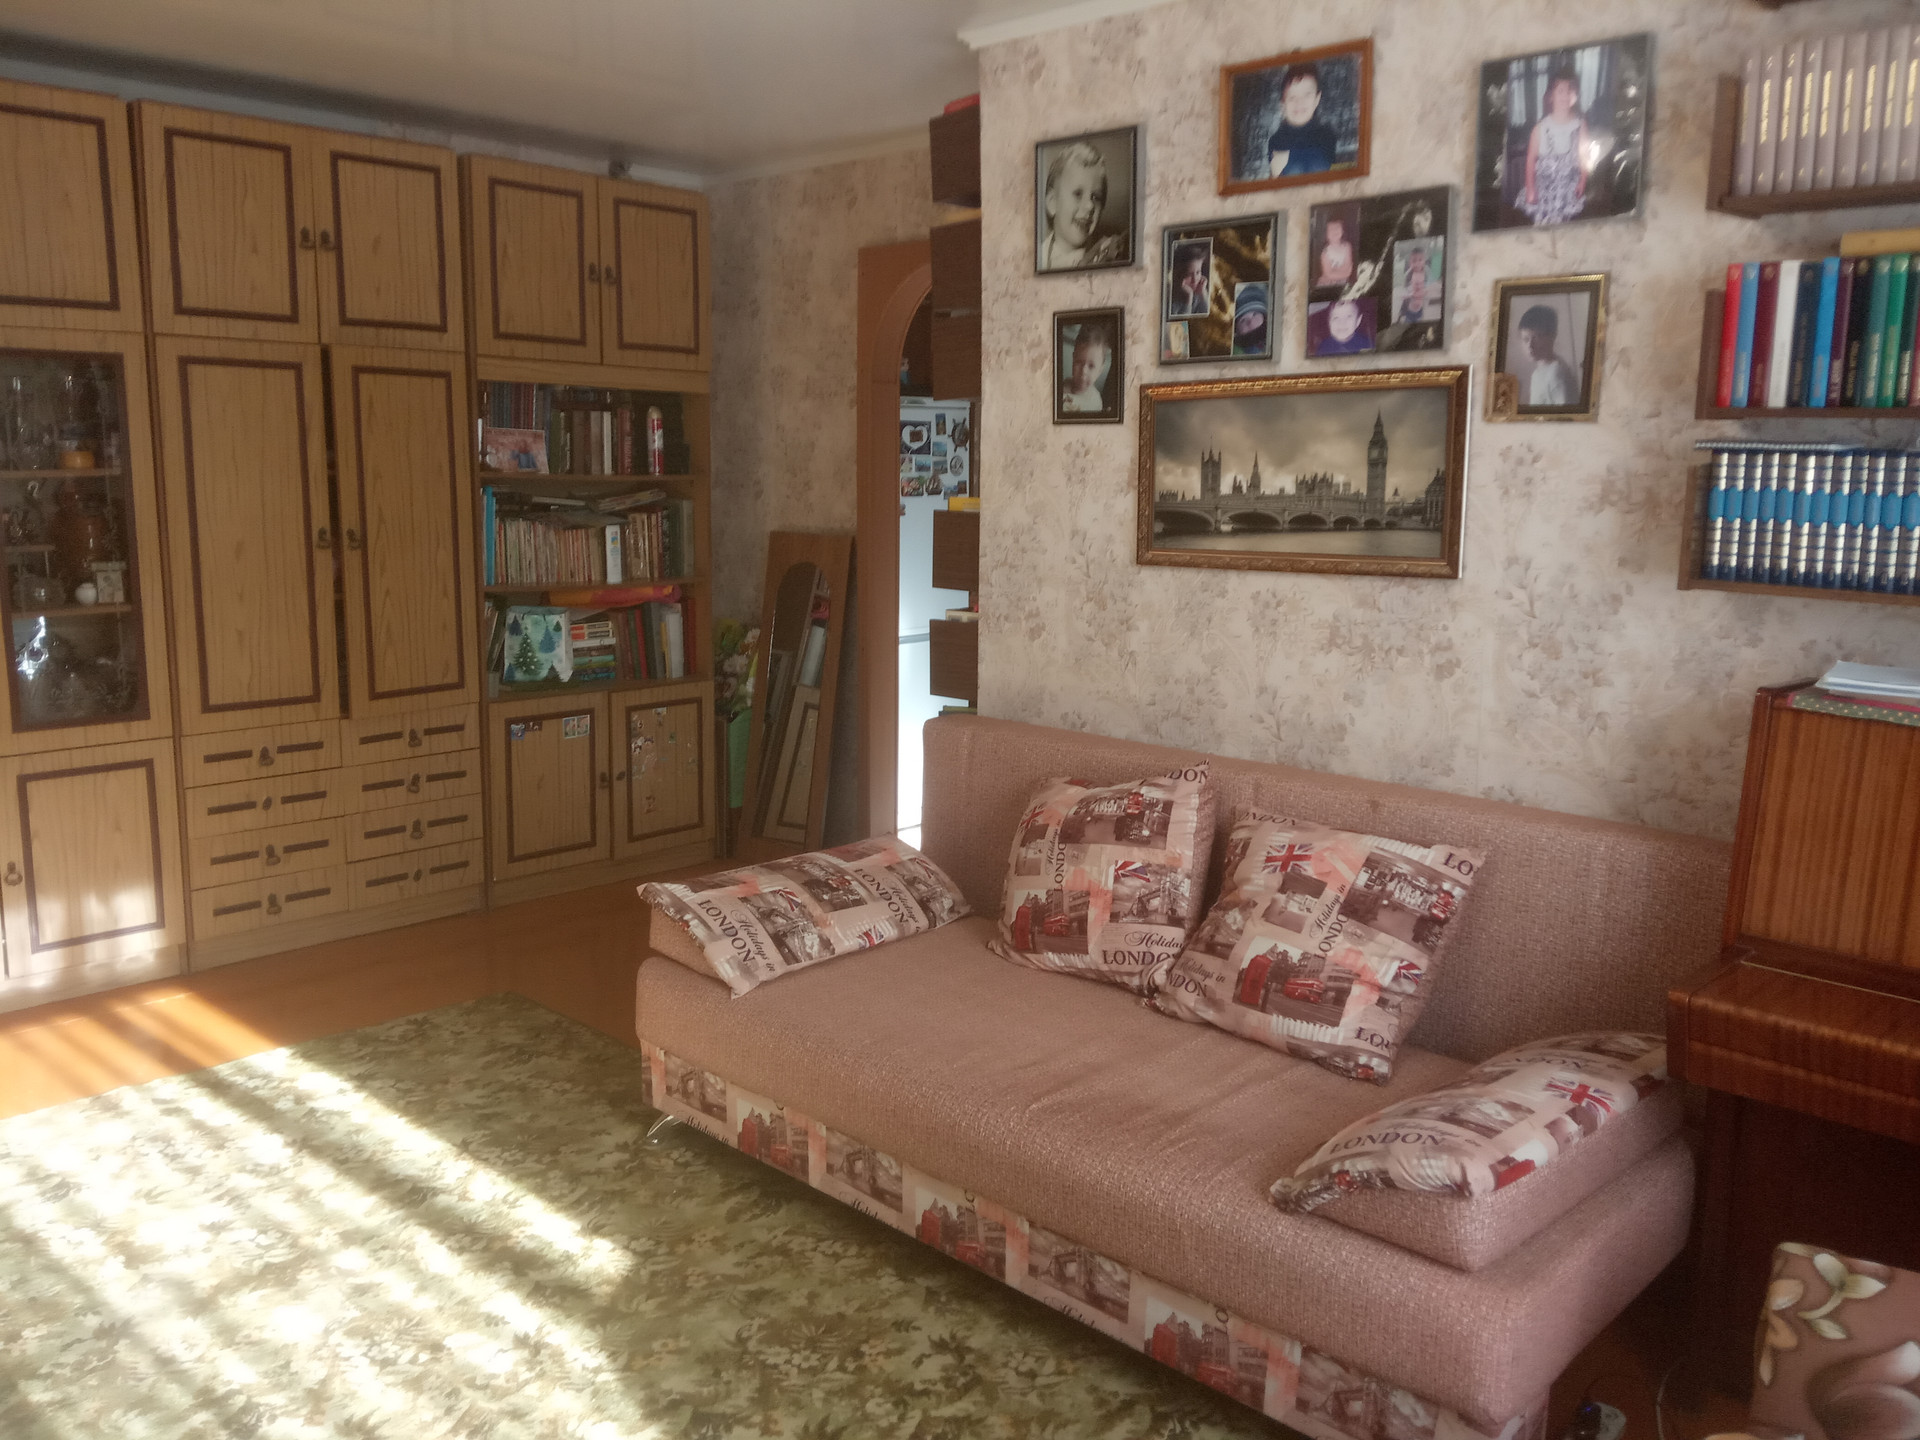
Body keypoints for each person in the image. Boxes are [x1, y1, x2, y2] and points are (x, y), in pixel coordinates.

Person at [1521, 67, 1589, 226]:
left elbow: (1585, 156)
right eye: (1561, 91)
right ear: (1551, 96)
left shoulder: (1580, 125)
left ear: (1576, 95)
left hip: (1568, 189)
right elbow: (1530, 160)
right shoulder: (1540, 128)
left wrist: (1583, 180)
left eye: (1570, 91)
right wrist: (1530, 188)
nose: (1565, 95)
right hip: (1543, 190)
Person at [1041, 141, 1126, 269]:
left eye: (1096, 197)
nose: (1090, 205)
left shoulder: (1108, 257)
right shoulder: (1038, 257)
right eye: (1078, 194)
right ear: (1053, 203)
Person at [1267, 62, 1339, 177]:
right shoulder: (1277, 140)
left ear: (1317, 99)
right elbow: (1275, 180)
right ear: (1282, 105)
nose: (1299, 102)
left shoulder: (1326, 135)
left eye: (1307, 95)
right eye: (1292, 97)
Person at [1517, 303, 1579, 405]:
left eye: (1536, 338)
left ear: (1552, 336)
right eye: (1525, 339)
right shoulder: (1537, 373)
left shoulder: (1556, 372)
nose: (1530, 345)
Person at [1060, 323, 1113, 414]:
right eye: (1078, 362)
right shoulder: (1062, 386)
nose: (1083, 371)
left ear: (1100, 370)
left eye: (1091, 366)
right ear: (1073, 359)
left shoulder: (1096, 402)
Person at [1171, 244, 1210, 315]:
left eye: (1198, 272)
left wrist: (1203, 294)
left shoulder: (1199, 292)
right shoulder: (1174, 299)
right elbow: (1183, 321)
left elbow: (1208, 317)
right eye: (1189, 274)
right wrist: (1188, 299)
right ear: (1177, 275)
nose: (1194, 280)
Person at [1315, 216, 1353, 288]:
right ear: (1326, 234)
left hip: (1343, 282)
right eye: (1331, 229)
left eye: (1337, 227)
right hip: (1327, 284)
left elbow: (1348, 267)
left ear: (1342, 230)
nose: (1334, 230)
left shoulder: (1347, 246)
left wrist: (1335, 271)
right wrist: (1345, 273)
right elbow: (1329, 274)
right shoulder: (1325, 253)